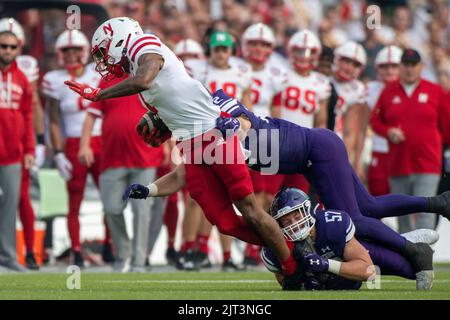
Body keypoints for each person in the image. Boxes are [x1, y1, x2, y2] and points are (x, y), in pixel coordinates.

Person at [126, 89, 450, 280]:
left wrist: (230, 128)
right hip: (308, 159)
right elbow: (184, 174)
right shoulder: (197, 136)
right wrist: (150, 190)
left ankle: (413, 250)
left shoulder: (212, 102)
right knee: (369, 207)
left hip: (315, 149)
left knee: (353, 222)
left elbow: (243, 123)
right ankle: (438, 204)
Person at [65, 17, 300, 281]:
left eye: (104, 51)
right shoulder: (135, 66)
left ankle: (292, 264)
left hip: (215, 133)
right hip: (192, 144)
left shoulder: (145, 45)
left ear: (119, 39)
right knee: (224, 222)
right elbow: (169, 105)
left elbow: (145, 79)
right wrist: (153, 126)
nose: (104, 60)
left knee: (250, 210)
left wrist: (98, 94)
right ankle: (288, 248)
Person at [261, 188, 436, 290]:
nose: (294, 224)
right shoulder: (274, 247)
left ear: (307, 210)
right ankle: (402, 241)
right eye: (286, 220)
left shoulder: (330, 226)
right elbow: (284, 282)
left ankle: (406, 242)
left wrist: (326, 264)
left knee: (409, 270)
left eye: (296, 216)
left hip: (356, 252)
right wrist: (301, 282)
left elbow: (368, 271)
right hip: (341, 279)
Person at [182, 30, 254, 271]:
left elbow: (247, 111)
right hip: (200, 133)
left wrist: (242, 134)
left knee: (228, 196)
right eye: (217, 49)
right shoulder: (197, 70)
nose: (221, 53)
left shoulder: (242, 73)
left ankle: (224, 255)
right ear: (209, 50)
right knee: (199, 196)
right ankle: (193, 248)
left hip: (230, 137)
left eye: (225, 49)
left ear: (231, 51)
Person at [42, 29, 112, 268]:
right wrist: (58, 152)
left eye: (75, 51)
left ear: (85, 52)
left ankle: (109, 245)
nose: (71, 56)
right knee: (75, 200)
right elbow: (52, 119)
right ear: (59, 54)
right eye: (66, 51)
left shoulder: (98, 72)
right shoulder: (53, 79)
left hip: (101, 139)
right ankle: (76, 250)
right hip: (73, 142)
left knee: (110, 196)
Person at [371, 48, 450, 233]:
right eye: (406, 65)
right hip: (398, 163)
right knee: (402, 211)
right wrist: (388, 130)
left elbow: (446, 124)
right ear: (400, 67)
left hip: (428, 162)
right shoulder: (388, 92)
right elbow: (375, 120)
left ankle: (425, 253)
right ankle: (407, 255)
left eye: (413, 65)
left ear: (421, 66)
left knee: (426, 209)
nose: (409, 69)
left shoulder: (435, 91)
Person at [0, 18, 45, 270]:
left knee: (10, 207)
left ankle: (7, 258)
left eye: (11, 46)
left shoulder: (21, 80)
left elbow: (28, 116)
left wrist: (31, 148)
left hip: (12, 154)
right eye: (2, 46)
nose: (7, 50)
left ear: (18, 48)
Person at [366, 45, 403, 197]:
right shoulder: (369, 89)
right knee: (377, 192)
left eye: (394, 66)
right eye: (384, 66)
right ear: (377, 68)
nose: (389, 71)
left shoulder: (410, 88)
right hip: (376, 147)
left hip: (403, 150)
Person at [331, 41, 370, 180]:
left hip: (339, 143)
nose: (349, 67)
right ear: (336, 59)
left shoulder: (358, 89)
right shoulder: (321, 79)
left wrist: (355, 161)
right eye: (346, 61)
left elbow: (357, 130)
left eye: (355, 64)